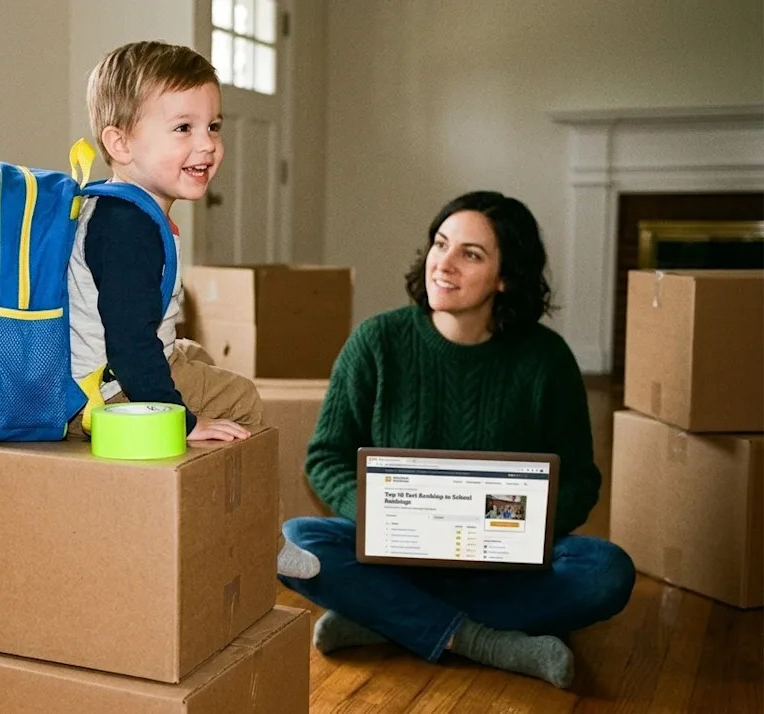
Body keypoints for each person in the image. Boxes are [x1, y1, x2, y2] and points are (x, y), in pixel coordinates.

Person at [276, 191, 636, 690]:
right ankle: (485, 641)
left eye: (471, 254)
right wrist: (392, 520)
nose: (443, 264)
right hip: (396, 554)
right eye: (440, 244)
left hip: (502, 563)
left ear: (506, 277)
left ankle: (384, 618)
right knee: (295, 540)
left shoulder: (546, 360)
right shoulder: (377, 342)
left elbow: (578, 480)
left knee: (606, 572)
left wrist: (508, 526)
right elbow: (326, 457)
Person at [65, 40, 262, 443]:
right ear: (121, 144)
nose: (206, 144)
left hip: (108, 373)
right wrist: (184, 423)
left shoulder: (115, 205)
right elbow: (130, 344)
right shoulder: (128, 228)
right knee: (242, 397)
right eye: (183, 128)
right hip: (107, 395)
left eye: (213, 126)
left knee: (195, 355)